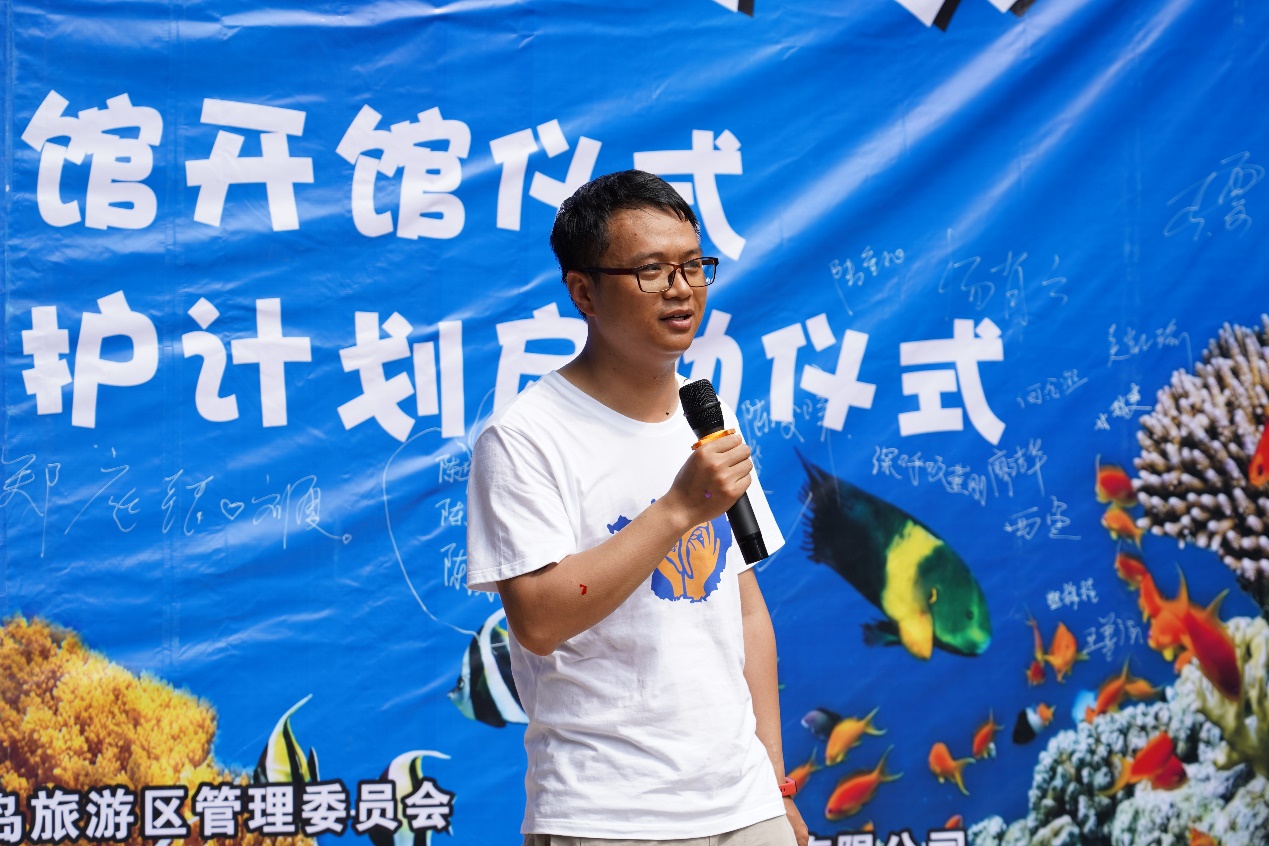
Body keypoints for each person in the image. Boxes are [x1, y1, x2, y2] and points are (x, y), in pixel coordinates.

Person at [466, 170, 808, 846]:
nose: (681, 289)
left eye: (693, 266)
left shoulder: (706, 415)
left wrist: (773, 782)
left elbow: (744, 610)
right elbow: (538, 621)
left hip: (744, 803)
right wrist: (677, 509)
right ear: (583, 292)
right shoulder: (524, 437)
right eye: (651, 271)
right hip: (607, 813)